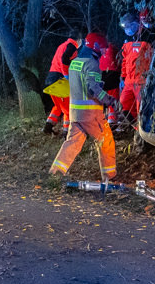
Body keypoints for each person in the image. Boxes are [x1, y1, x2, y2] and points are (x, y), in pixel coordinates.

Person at [49, 32, 122, 181]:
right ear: (95, 47)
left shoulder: (75, 62)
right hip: (90, 114)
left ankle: (55, 174)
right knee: (106, 140)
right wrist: (110, 100)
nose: (103, 52)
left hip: (75, 113)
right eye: (102, 49)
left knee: (72, 143)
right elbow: (92, 89)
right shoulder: (92, 64)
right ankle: (110, 177)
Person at [118, 12, 153, 122]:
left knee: (141, 108)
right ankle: (135, 126)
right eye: (126, 27)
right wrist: (123, 77)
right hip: (129, 81)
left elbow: (152, 59)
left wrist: (150, 77)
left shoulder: (147, 36)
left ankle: (141, 132)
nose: (128, 29)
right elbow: (125, 60)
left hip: (142, 80)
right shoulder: (128, 40)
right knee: (124, 104)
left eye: (130, 26)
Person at [43, 37, 80, 135]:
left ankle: (48, 126)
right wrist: (66, 75)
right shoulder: (72, 46)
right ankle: (66, 132)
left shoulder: (61, 46)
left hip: (51, 80)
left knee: (58, 106)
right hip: (60, 81)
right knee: (68, 108)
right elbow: (64, 60)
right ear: (79, 39)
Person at [99, 41, 121, 125]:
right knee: (113, 96)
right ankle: (112, 118)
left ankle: (103, 118)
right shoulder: (113, 48)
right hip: (113, 73)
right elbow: (118, 62)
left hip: (101, 73)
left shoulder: (99, 47)